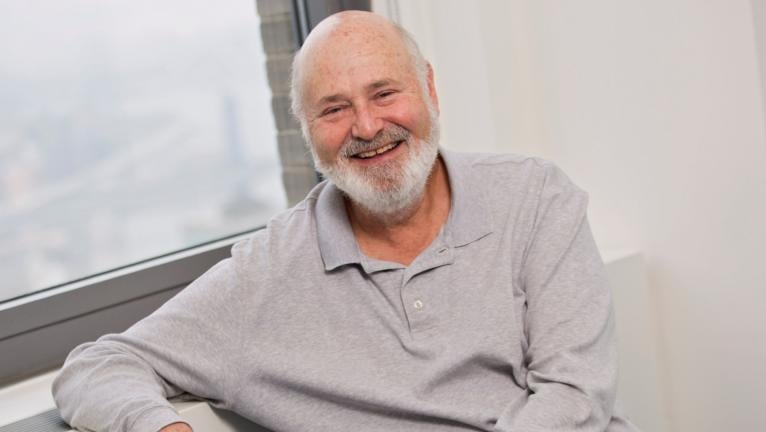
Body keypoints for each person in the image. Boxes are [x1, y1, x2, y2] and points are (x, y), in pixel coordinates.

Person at [53, 10, 639, 432]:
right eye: (334, 109)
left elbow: (574, 397)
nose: (365, 127)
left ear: (429, 88)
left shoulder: (535, 197)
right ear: (307, 132)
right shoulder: (269, 272)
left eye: (384, 93)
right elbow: (96, 366)